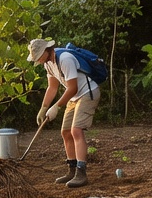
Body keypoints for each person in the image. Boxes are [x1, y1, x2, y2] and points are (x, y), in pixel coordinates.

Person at [28, 38, 100, 189]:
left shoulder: (65, 59)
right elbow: (52, 88)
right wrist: (44, 107)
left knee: (76, 130)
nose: (38, 61)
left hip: (87, 93)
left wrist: (56, 106)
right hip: (74, 97)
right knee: (65, 132)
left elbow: (72, 88)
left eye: (38, 57)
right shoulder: (48, 63)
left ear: (46, 51)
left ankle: (81, 173)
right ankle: (72, 169)